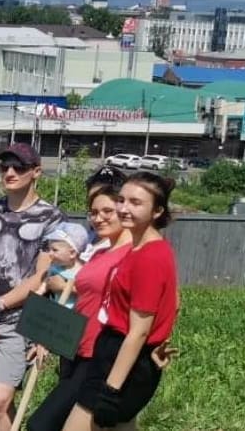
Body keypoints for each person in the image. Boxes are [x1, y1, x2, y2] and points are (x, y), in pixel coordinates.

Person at [63, 172, 179, 431]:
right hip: (118, 353)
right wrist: (159, 343)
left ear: (157, 211)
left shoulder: (149, 257)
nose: (124, 208)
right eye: (121, 200)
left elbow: (138, 332)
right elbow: (172, 302)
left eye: (136, 203)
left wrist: (111, 391)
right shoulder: (141, 248)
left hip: (122, 360)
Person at [0, 142, 63, 431]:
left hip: (20, 318)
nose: (9, 172)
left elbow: (42, 276)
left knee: (0, 397)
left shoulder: (51, 218)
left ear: (36, 172)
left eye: (18, 167)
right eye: (4, 166)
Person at [27, 185, 134, 431]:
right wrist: (46, 338)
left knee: (41, 425)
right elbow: (79, 302)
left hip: (100, 354)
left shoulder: (132, 255)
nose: (98, 218)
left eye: (107, 211)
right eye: (93, 212)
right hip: (76, 348)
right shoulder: (99, 254)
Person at [80, 166, 127, 262]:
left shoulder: (129, 251)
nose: (96, 201)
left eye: (107, 211)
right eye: (91, 199)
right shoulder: (88, 237)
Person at [40, 222, 89, 309]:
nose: (50, 253)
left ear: (72, 253)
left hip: (73, 312)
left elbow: (86, 292)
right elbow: (46, 282)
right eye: (49, 249)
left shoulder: (83, 271)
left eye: (55, 250)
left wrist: (63, 287)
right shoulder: (55, 266)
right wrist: (40, 291)